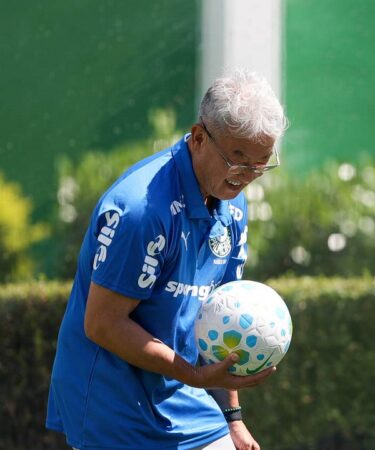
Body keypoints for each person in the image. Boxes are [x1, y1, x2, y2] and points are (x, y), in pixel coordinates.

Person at [46, 69, 288, 450]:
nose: (247, 176)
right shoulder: (141, 211)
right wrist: (194, 375)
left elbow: (221, 317)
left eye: (260, 164)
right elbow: (103, 323)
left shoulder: (233, 203)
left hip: (184, 396)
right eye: (237, 159)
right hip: (112, 409)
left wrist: (232, 418)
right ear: (199, 137)